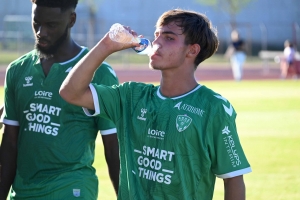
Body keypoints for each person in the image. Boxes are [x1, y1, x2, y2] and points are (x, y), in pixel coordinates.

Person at [60, 9, 252, 200]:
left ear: (192, 50)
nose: (157, 42)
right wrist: (106, 45)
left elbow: (233, 178)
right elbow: (70, 92)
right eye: (157, 35)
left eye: (168, 38)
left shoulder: (213, 107)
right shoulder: (131, 96)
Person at [0, 0, 120, 199]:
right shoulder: (17, 70)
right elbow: (10, 144)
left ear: (71, 20)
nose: (41, 32)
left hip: (72, 189)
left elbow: (113, 145)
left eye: (51, 25)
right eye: (36, 23)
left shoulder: (99, 73)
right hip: (22, 192)